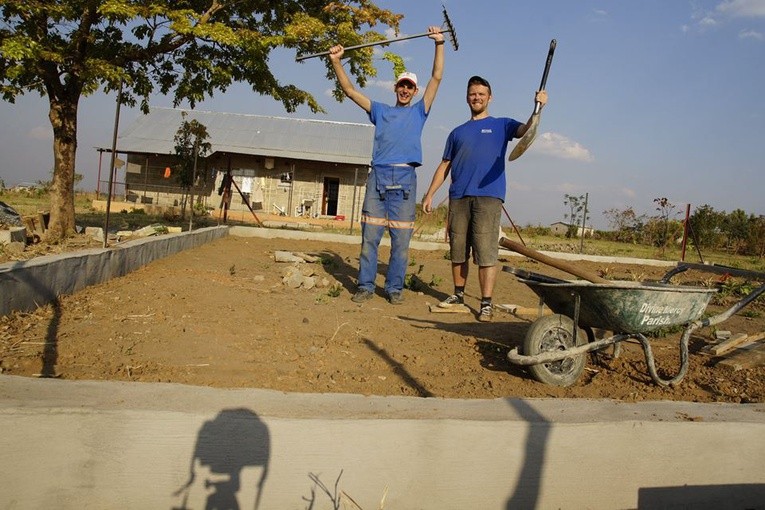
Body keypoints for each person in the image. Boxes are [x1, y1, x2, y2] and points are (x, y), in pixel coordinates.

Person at [328, 26, 445, 305]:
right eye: (401, 85)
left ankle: (394, 289)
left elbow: (437, 77)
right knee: (370, 238)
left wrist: (439, 43)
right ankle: (365, 287)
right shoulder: (380, 110)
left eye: (410, 87)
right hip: (378, 177)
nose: (405, 90)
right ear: (396, 88)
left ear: (415, 92)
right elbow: (349, 90)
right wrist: (336, 61)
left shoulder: (420, 111)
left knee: (401, 244)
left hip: (405, 178)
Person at [421, 75, 548, 321]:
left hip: (489, 197)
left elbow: (526, 131)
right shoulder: (457, 133)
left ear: (489, 97)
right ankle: (458, 294)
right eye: (472, 94)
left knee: (486, 252)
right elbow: (445, 164)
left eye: (481, 94)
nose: (476, 98)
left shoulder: (502, 125)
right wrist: (429, 194)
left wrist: (538, 108)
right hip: (458, 197)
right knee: (458, 249)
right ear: (467, 98)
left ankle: (486, 303)